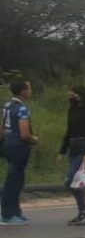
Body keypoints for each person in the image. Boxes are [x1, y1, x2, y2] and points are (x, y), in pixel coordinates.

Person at [57, 85, 85, 225]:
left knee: (70, 181)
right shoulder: (72, 110)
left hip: (83, 146)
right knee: (75, 181)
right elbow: (68, 131)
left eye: (73, 94)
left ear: (80, 94)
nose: (71, 97)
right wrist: (62, 151)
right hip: (73, 146)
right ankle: (83, 210)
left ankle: (84, 209)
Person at [2, 80, 38, 225]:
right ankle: (7, 215)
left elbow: (2, 128)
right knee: (14, 181)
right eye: (29, 89)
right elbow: (24, 134)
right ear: (23, 91)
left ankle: (16, 212)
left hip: (8, 145)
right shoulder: (22, 109)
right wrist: (34, 139)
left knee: (14, 180)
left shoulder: (7, 106)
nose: (30, 91)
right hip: (19, 147)